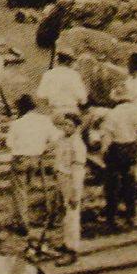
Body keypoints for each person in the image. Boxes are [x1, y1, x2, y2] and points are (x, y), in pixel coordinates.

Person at [7, 95, 60, 235]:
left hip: (20, 159)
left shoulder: (17, 123)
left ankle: (23, 223)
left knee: (20, 191)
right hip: (36, 158)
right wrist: (45, 147)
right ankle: (40, 215)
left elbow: (9, 143)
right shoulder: (44, 120)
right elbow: (56, 138)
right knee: (28, 186)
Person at [100, 86, 137, 230]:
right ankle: (130, 214)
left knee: (112, 183)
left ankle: (111, 215)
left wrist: (104, 152)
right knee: (129, 181)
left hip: (116, 148)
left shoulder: (112, 114)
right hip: (131, 147)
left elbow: (107, 136)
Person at [53, 114, 88, 265]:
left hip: (72, 180)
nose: (66, 127)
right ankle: (66, 242)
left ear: (76, 127)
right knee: (65, 214)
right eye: (64, 124)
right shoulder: (62, 139)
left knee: (72, 215)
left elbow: (78, 171)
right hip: (62, 178)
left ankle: (72, 251)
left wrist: (75, 192)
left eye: (69, 125)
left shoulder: (78, 145)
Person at [36, 50, 88, 118]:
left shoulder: (48, 74)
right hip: (72, 111)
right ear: (68, 61)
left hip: (55, 112)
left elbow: (41, 96)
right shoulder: (74, 75)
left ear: (58, 60)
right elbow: (83, 99)